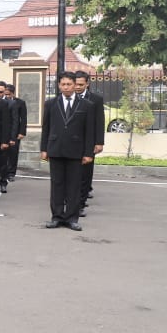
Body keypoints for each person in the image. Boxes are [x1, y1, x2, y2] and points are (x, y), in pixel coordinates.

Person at [41, 71, 95, 231]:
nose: (66, 87)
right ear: (59, 85)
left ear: (74, 85)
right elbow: (46, 128)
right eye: (63, 84)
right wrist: (44, 149)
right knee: (56, 184)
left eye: (69, 84)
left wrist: (88, 153)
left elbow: (89, 132)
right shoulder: (51, 104)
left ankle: (72, 218)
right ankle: (57, 216)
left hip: (76, 151)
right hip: (55, 149)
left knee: (74, 186)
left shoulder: (86, 105)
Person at [74, 71, 105, 216]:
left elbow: (100, 121)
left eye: (81, 84)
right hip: (71, 141)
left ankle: (80, 203)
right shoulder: (68, 97)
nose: (78, 87)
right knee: (72, 173)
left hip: (89, 142)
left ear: (87, 84)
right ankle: (71, 200)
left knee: (85, 173)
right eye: (76, 84)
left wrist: (99, 142)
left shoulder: (95, 99)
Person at [4, 83, 27, 181]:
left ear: (13, 94)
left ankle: (11, 173)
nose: (7, 96)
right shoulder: (2, 102)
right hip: (4, 132)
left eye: (9, 94)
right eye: (6, 94)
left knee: (13, 153)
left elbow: (23, 118)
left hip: (16, 132)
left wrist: (22, 132)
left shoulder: (20, 103)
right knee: (4, 154)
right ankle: (3, 172)